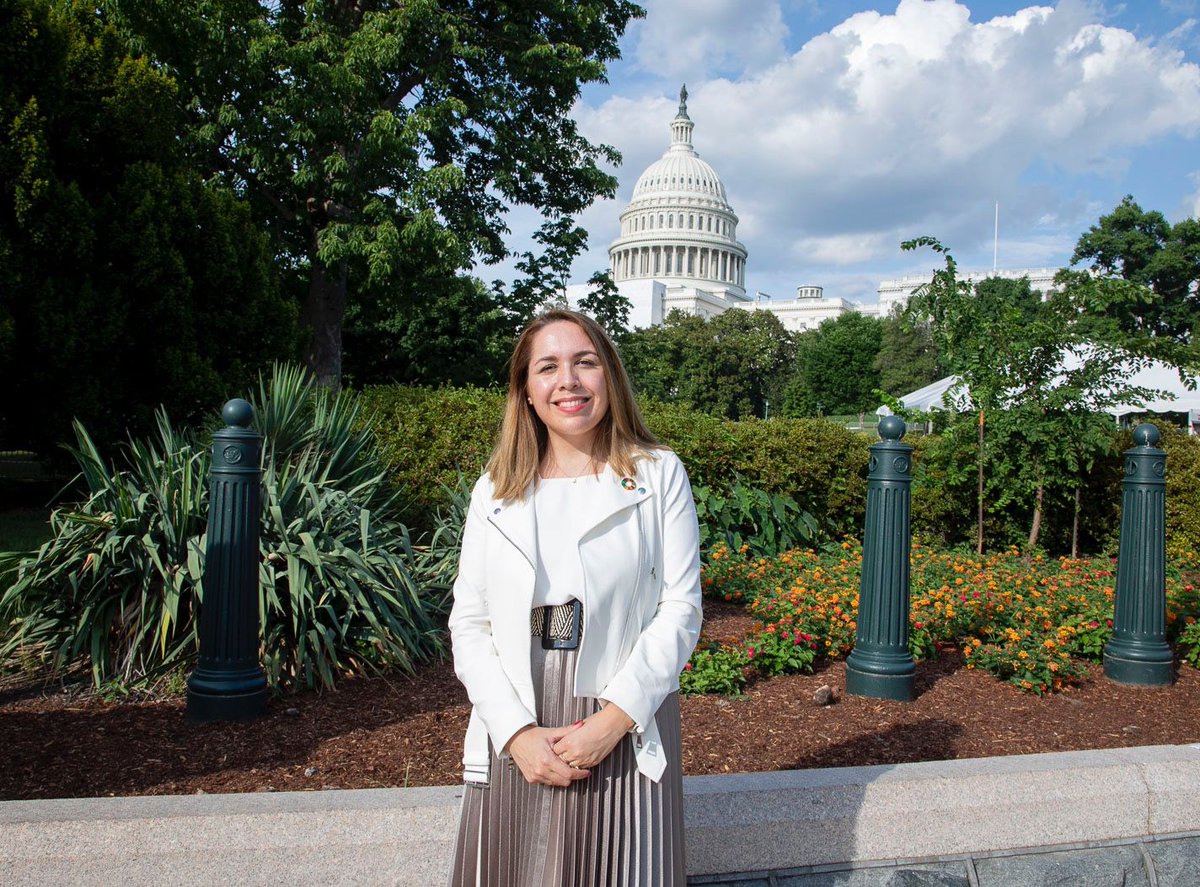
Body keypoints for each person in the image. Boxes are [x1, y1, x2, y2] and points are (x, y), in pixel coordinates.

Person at [447, 309, 703, 886]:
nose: (568, 381)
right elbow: (470, 623)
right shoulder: (495, 490)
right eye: (548, 367)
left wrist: (613, 722)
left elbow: (681, 609)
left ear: (609, 375)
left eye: (585, 362)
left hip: (623, 704)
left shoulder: (659, 474)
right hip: (520, 707)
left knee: (621, 864)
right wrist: (515, 733)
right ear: (525, 390)